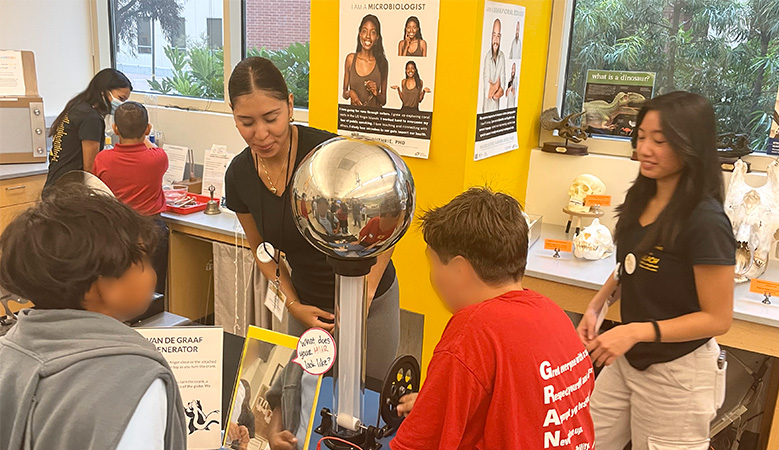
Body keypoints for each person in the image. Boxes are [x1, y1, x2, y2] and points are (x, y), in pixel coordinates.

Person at [224, 57, 401, 378]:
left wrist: (366, 296)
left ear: (290, 106)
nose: (260, 134)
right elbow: (261, 250)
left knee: (371, 400)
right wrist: (292, 304)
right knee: (305, 403)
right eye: (246, 122)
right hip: (306, 307)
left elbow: (387, 220)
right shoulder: (239, 175)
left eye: (271, 118)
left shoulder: (329, 153)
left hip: (367, 299)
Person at [577, 91, 735, 449]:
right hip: (629, 359)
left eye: (659, 141)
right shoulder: (642, 197)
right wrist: (597, 306)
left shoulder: (705, 220)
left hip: (679, 373)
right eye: (642, 137)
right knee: (584, 439)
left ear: (689, 145)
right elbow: (629, 266)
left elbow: (717, 318)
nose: (645, 149)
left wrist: (634, 331)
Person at [391, 187, 595, 450]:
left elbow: (415, 445)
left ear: (459, 269)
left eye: (433, 265)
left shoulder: (472, 331)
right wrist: (439, 403)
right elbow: (526, 407)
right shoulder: (553, 314)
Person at [0, 184, 186, 450]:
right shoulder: (134, 380)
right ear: (106, 286)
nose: (151, 271)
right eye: (144, 260)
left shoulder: (8, 355)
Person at [93, 101, 169, 295]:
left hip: (116, 232)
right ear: (148, 129)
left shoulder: (102, 159)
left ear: (115, 128)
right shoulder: (158, 158)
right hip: (151, 230)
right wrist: (144, 136)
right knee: (152, 287)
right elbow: (151, 147)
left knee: (118, 284)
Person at [45, 68, 132, 187]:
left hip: (56, 186)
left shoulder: (77, 107)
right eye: (121, 99)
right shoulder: (91, 119)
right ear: (103, 91)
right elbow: (90, 170)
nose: (121, 105)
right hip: (70, 192)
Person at [342, 14, 389, 108]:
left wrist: (376, 92)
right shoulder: (350, 59)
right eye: (364, 31)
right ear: (359, 33)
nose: (367, 36)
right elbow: (344, 93)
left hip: (375, 119)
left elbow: (383, 101)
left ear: (377, 37)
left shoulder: (382, 63)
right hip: (354, 118)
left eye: (373, 32)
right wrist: (350, 93)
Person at [482, 19, 506, 112]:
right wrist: (496, 86)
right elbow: (488, 93)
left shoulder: (502, 57)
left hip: (496, 112)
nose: (495, 40)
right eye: (494, 35)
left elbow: (500, 92)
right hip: (486, 112)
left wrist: (495, 87)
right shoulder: (487, 57)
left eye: (498, 36)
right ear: (491, 36)